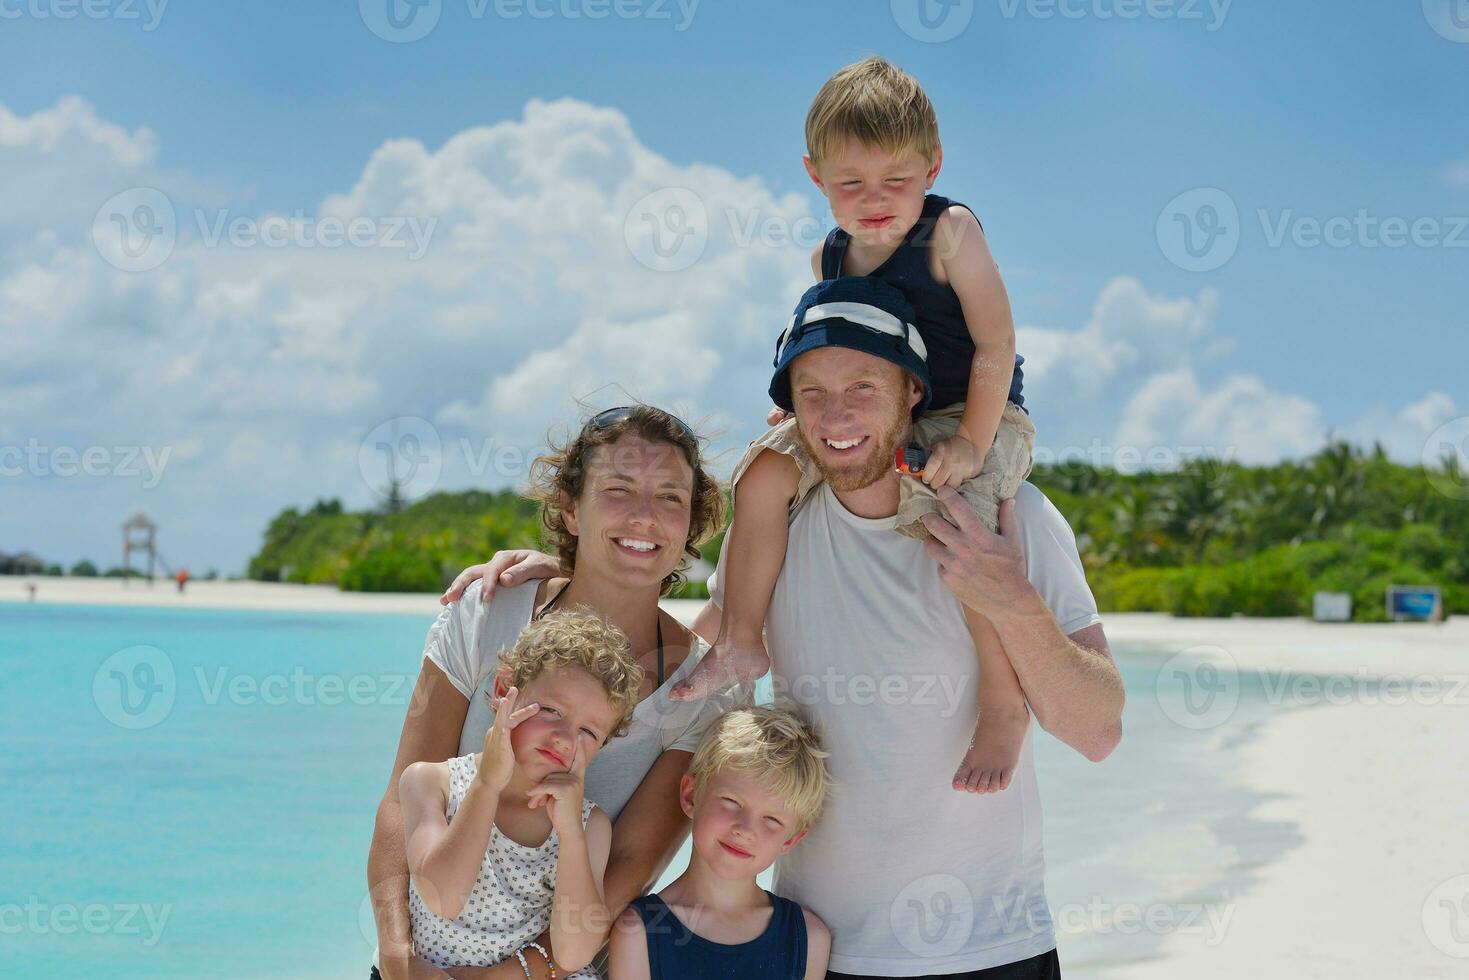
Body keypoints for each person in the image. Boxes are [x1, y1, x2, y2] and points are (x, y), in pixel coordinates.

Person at [454, 313, 1124, 976]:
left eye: (863, 387)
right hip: (816, 948)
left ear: (910, 392)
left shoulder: (1012, 516)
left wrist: (1013, 602)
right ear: (787, 408)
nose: (837, 415)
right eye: (813, 393)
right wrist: (565, 576)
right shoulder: (776, 526)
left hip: (993, 946)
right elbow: (680, 657)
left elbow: (1097, 732)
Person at [673, 56, 1037, 797]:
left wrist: (968, 440)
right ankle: (740, 637)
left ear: (932, 166)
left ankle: (1002, 705)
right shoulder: (828, 256)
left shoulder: (950, 234)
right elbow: (833, 341)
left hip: (974, 410)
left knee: (961, 529)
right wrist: (800, 408)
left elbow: (996, 343)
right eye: (850, 184)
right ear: (814, 176)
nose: (874, 200)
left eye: (895, 181)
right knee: (764, 470)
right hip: (875, 408)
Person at [367, 405, 742, 980]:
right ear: (570, 509)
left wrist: (508, 977)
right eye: (619, 489)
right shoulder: (485, 615)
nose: (645, 517)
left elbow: (628, 865)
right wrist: (395, 956)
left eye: (671, 497)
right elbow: (402, 796)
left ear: (690, 523)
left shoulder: (706, 690)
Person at [394, 609, 643, 978]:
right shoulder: (432, 783)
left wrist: (570, 833)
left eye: (589, 732)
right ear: (502, 691)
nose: (565, 737)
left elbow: (573, 954)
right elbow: (443, 898)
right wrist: (487, 785)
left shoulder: (590, 825)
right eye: (551, 710)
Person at [608, 705, 833, 980]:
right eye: (731, 802)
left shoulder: (808, 939)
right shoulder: (638, 932)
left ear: (792, 839)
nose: (745, 829)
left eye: (772, 819)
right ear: (691, 795)